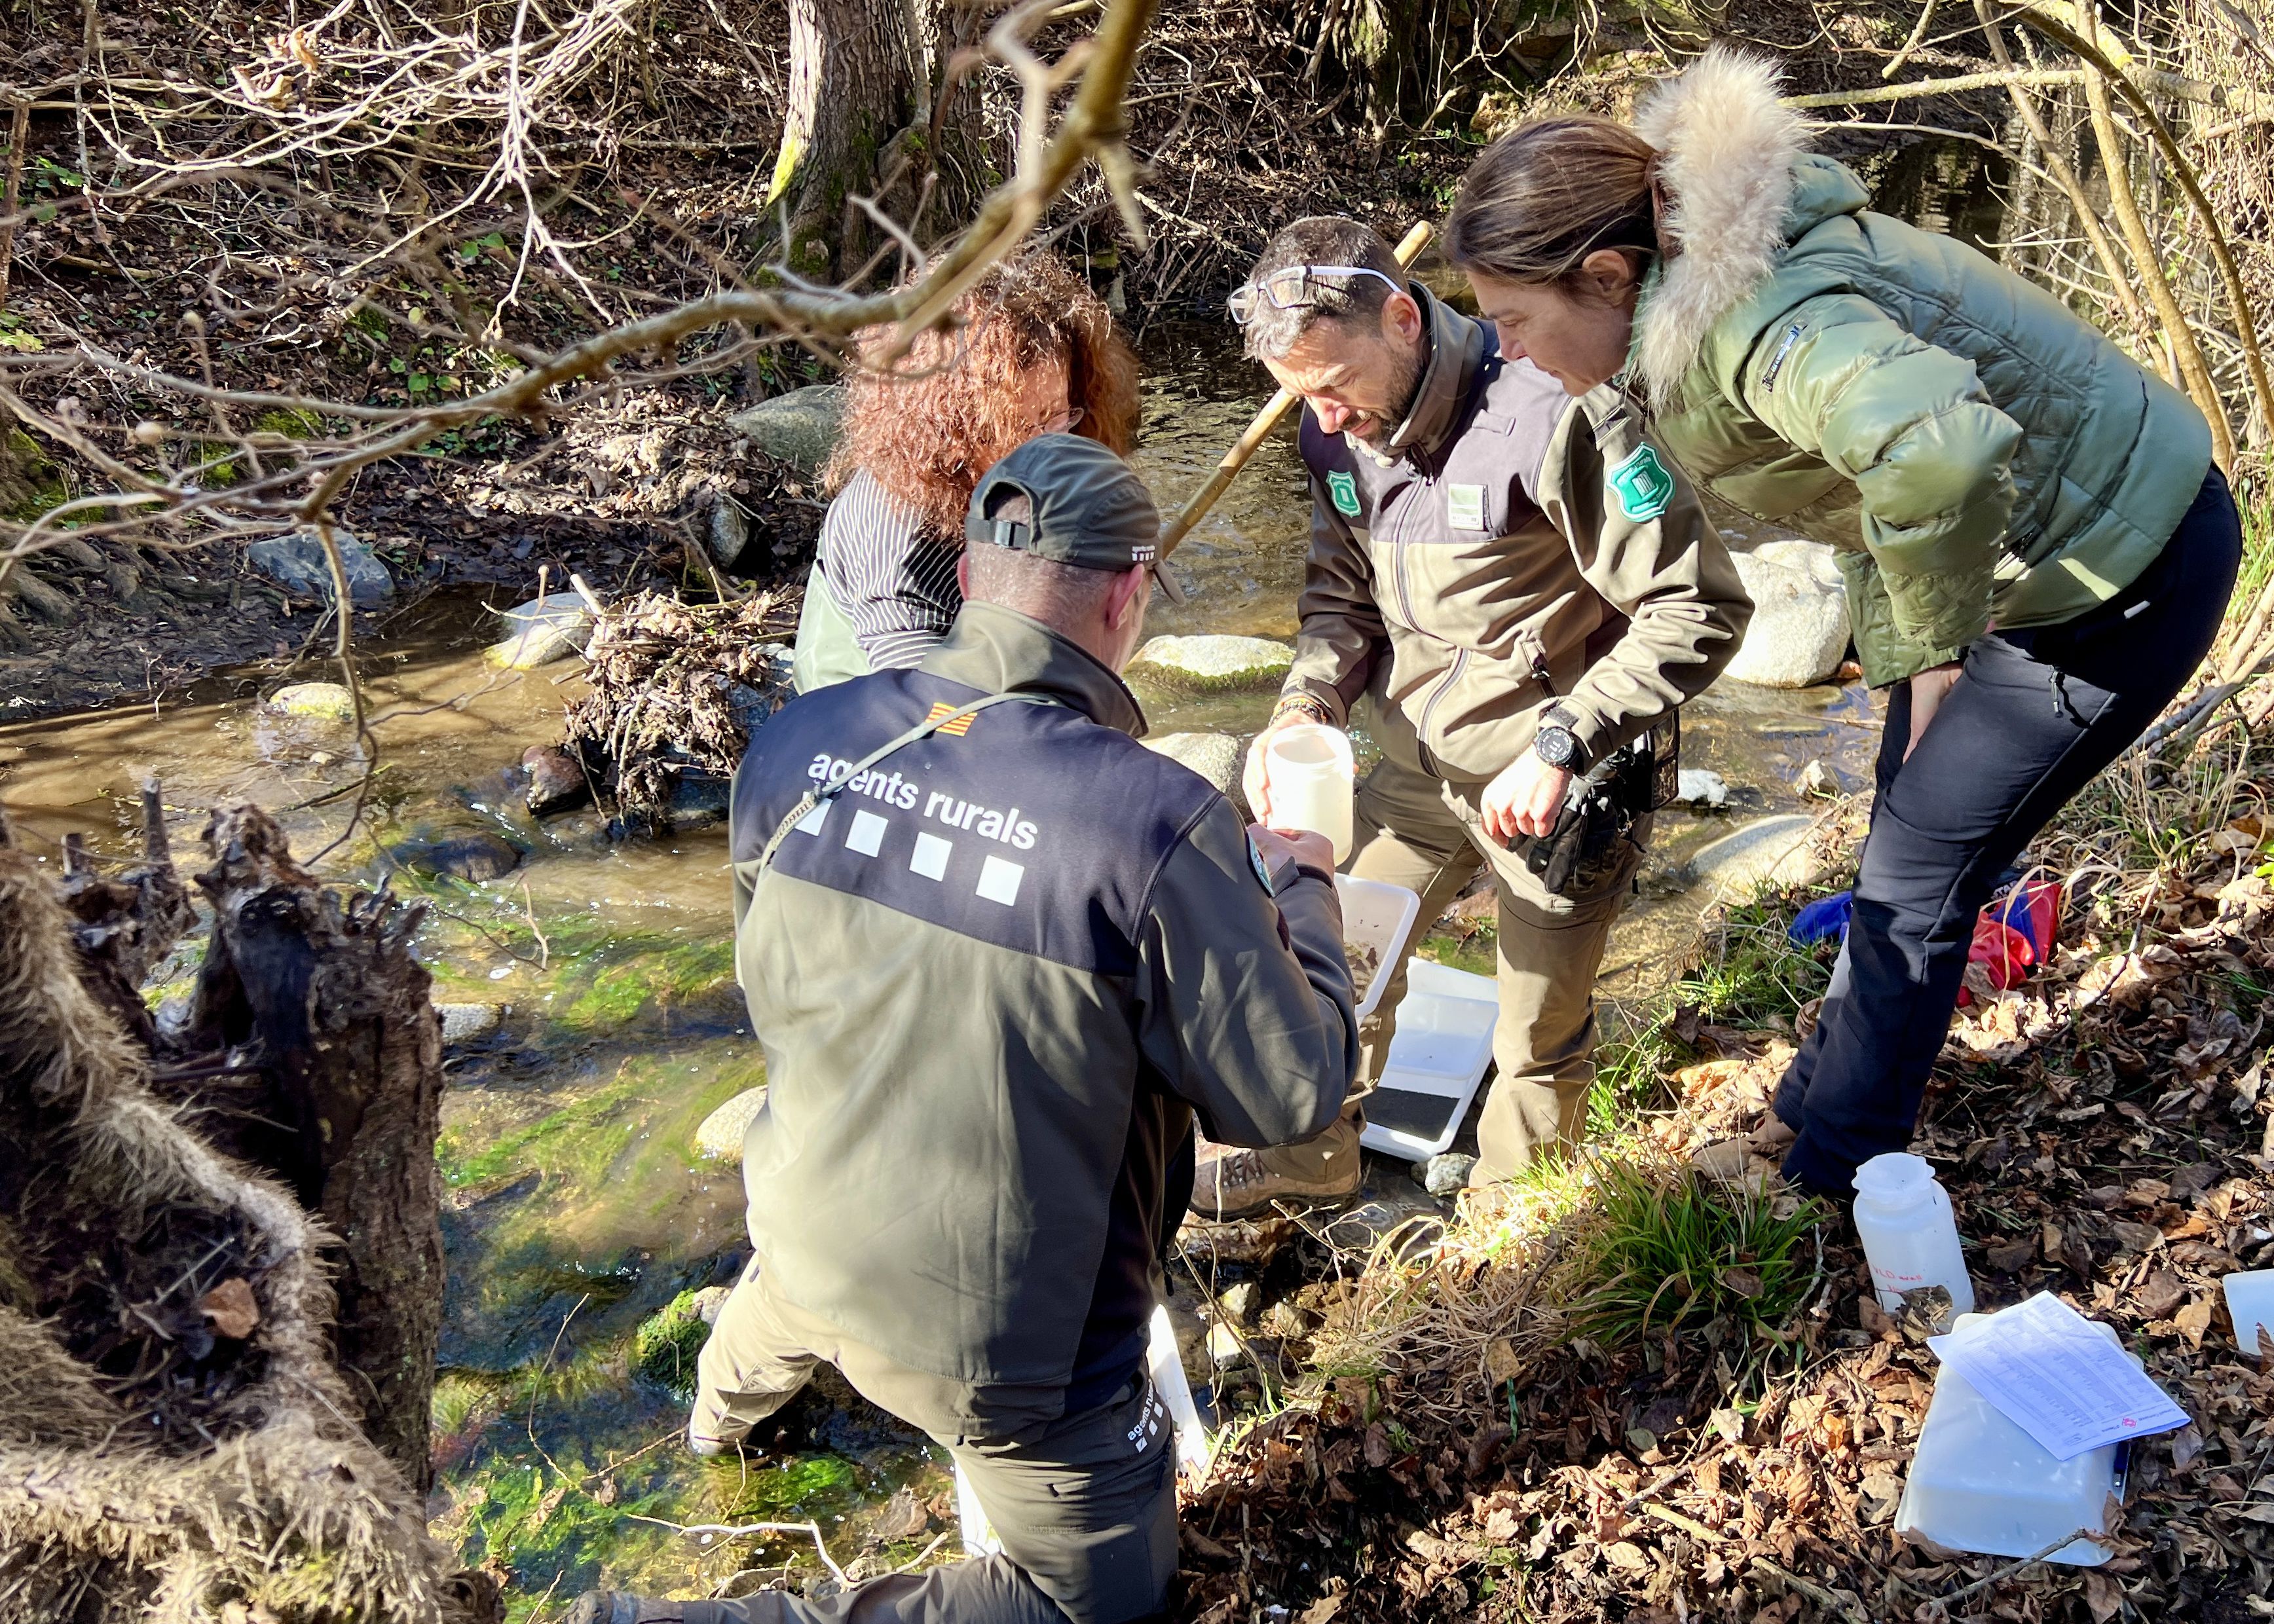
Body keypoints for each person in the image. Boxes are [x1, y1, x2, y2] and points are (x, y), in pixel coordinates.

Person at [576, 436, 1358, 1624]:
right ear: (1125, 592)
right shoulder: (1153, 822)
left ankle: (709, 1423)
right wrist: (1299, 887)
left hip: (801, 1226)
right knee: (1094, 1604)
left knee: (787, 1292)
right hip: (1019, 1359)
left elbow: (767, 974)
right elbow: (1287, 1094)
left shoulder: (798, 739)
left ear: (976, 575)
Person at [1440, 49, 2244, 1197]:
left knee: (1919, 866)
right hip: (2031, 555)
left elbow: (1943, 457)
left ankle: (1827, 1179)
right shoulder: (1698, 302)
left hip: (2121, 564)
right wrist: (1917, 661)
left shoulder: (1759, 324)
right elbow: (1872, 502)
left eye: (1513, 320)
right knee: (1900, 831)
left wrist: (1931, 648)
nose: (1506, 350)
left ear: (1610, 275)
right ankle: (1809, 1109)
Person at [1193, 216, 1751, 1219]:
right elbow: (1340, 597)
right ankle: (1318, 1151)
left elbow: (1701, 607)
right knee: (1330, 961)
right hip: (1412, 773)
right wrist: (1303, 703)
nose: (1320, 414)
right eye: (1298, 395)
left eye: (1331, 384)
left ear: (1403, 318)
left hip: (1554, 789)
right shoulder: (1333, 432)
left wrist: (1563, 741)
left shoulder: (1559, 414)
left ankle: (1509, 1231)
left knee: (1535, 1030)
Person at [791, 253, 1140, 691]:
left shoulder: (1025, 473)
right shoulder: (900, 541)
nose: (1055, 443)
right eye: (1027, 425)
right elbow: (925, 720)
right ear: (956, 425)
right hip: (873, 722)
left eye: (1060, 413)